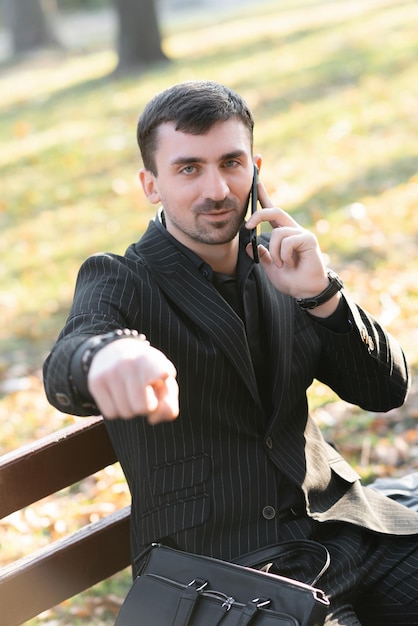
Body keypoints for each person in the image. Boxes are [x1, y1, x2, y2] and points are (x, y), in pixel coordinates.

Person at [43, 80, 418, 625]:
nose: (216, 189)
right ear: (151, 184)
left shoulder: (281, 263)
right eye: (188, 168)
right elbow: (68, 358)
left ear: (255, 168)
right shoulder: (122, 277)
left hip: (349, 534)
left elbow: (386, 390)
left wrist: (323, 296)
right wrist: (106, 357)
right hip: (228, 571)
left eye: (231, 163)